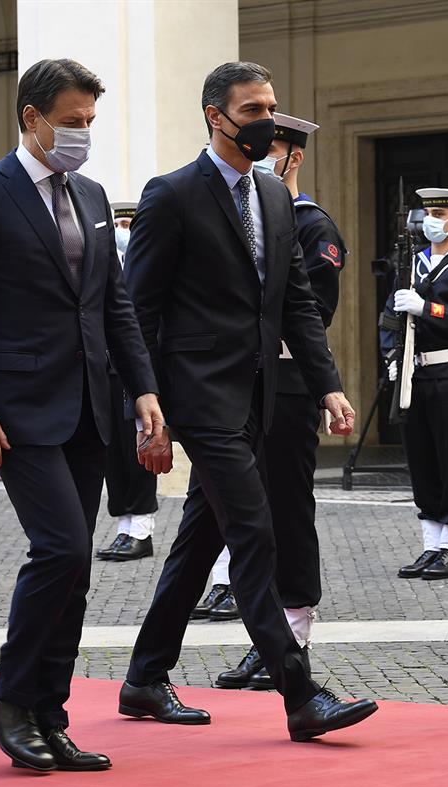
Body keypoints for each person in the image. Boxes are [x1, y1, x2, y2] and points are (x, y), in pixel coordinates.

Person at [119, 61, 377, 742]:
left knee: (201, 539)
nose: (265, 120)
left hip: (258, 396)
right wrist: (145, 405)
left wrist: (328, 385)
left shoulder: (271, 195)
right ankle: (299, 693)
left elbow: (295, 302)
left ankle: (145, 677)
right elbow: (136, 310)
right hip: (198, 399)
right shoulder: (171, 194)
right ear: (215, 115)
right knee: (254, 532)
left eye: (270, 107)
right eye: (252, 109)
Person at [0, 58, 165, 772]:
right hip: (14, 410)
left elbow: (112, 304)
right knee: (61, 548)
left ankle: (48, 714)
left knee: (77, 572)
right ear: (31, 117)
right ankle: (9, 696)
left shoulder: (91, 194)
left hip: (90, 407)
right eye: (72, 122)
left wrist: (145, 390)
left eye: (90, 123)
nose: (82, 134)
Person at [214, 112, 346, 690]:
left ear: (293, 158)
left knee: (287, 511)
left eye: (273, 149)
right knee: (242, 513)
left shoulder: (311, 226)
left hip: (288, 383)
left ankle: (293, 633)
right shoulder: (240, 215)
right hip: (236, 385)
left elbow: (310, 313)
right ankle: (263, 637)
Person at [384, 188, 448, 582]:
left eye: (439, 212)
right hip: (413, 373)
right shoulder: (411, 263)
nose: (430, 219)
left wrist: (427, 309)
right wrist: (391, 357)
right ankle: (431, 544)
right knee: (422, 459)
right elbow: (388, 317)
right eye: (427, 211)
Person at [95, 200, 158, 563]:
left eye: (127, 223)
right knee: (113, 452)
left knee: (138, 447)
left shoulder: (143, 265)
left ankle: (142, 528)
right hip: (104, 366)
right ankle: (124, 525)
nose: (122, 230)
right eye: (117, 222)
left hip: (133, 368)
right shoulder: (105, 266)